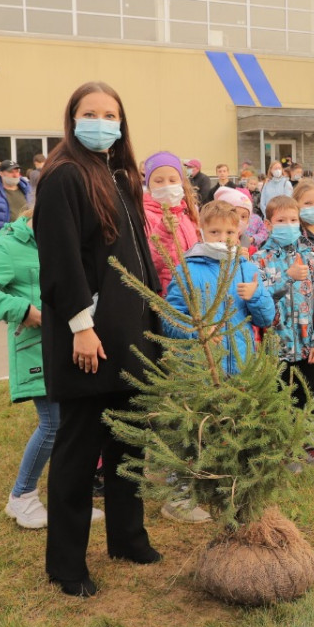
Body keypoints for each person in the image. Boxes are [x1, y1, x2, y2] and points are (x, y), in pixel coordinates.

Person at [33, 81, 163, 598]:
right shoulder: (65, 176)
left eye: (111, 113)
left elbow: (137, 260)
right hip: (88, 337)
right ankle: (67, 565)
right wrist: (80, 328)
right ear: (73, 118)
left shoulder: (119, 174)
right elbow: (60, 262)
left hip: (130, 333)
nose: (103, 121)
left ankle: (127, 538)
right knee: (79, 449)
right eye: (92, 113)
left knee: (129, 443)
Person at [0, 211, 105, 529]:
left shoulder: (68, 240)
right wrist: (23, 310)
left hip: (72, 346)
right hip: (37, 351)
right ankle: (22, 498)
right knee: (53, 425)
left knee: (72, 426)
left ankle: (71, 502)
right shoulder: (11, 246)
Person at [253, 194, 314, 463]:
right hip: (275, 348)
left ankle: (307, 444)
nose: (287, 225)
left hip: (308, 345)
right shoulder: (259, 261)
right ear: (268, 224)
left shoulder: (311, 258)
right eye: (281, 220)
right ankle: (282, 450)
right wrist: (285, 281)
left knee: (306, 395)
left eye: (292, 220)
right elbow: (258, 301)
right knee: (279, 399)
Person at [164, 200, 276, 378]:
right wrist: (198, 331)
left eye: (229, 232)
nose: (223, 238)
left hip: (241, 368)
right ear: (201, 234)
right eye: (215, 232)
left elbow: (266, 318)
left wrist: (256, 296)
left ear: (238, 235)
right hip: (201, 369)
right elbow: (170, 318)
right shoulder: (187, 270)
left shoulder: (246, 270)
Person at [141, 151, 200, 296]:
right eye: (159, 181)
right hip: (165, 298)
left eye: (172, 180)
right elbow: (148, 265)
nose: (166, 186)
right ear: (148, 185)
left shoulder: (186, 215)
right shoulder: (144, 217)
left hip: (192, 296)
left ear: (181, 182)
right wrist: (163, 232)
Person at [215, 185, 267, 252]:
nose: (239, 221)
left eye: (243, 217)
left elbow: (264, 231)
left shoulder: (248, 248)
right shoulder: (213, 241)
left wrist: (254, 238)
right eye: (234, 214)